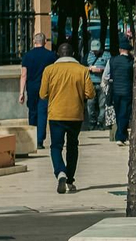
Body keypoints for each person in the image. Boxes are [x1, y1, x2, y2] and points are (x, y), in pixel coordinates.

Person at [37, 40, 95, 195]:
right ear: (73, 54)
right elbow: (90, 93)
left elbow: (42, 94)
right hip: (75, 114)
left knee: (56, 146)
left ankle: (60, 172)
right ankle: (70, 179)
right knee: (72, 146)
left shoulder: (49, 70)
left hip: (56, 114)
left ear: (58, 54)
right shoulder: (82, 70)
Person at [18, 32, 56, 151]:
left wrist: (21, 93)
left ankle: (32, 138)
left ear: (34, 42)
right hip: (46, 88)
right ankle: (40, 140)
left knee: (33, 112)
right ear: (45, 42)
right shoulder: (51, 56)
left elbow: (24, 75)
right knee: (42, 113)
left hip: (32, 88)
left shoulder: (27, 56)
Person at [109, 41, 135, 146]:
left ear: (120, 50)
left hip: (115, 91)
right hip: (127, 91)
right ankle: (120, 136)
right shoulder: (130, 62)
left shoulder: (113, 60)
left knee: (119, 114)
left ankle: (122, 135)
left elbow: (108, 76)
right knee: (124, 114)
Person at [85, 39, 109, 130]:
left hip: (102, 83)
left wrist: (101, 70)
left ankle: (100, 121)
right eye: (93, 50)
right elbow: (82, 67)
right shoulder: (88, 55)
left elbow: (109, 67)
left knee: (102, 104)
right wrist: (89, 69)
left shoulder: (106, 55)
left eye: (96, 50)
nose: (95, 52)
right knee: (90, 104)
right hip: (91, 83)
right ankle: (92, 122)